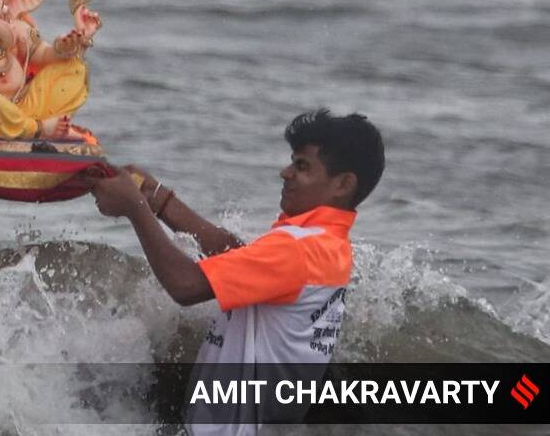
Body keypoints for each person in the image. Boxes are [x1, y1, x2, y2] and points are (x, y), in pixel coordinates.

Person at [86, 109, 385, 432]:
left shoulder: (296, 249)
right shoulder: (327, 246)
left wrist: (135, 208)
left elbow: (185, 286)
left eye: (302, 166)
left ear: (342, 184)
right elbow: (240, 257)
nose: (285, 173)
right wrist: (159, 199)